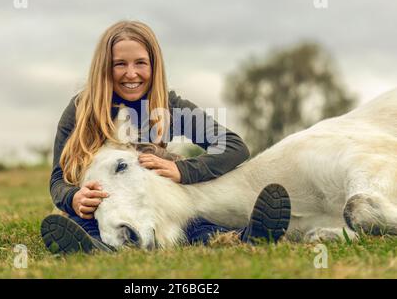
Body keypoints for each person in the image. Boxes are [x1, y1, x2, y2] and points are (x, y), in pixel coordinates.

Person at [40, 20, 291, 254]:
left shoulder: (170, 107)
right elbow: (57, 178)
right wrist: (73, 198)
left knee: (192, 221)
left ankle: (250, 236)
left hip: (152, 202)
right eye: (120, 64)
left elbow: (234, 146)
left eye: (140, 63)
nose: (131, 73)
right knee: (85, 218)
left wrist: (183, 170)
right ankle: (91, 245)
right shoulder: (81, 109)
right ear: (104, 68)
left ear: (153, 66)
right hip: (99, 203)